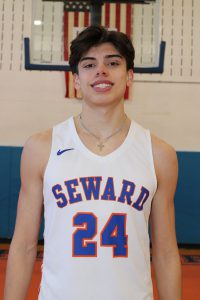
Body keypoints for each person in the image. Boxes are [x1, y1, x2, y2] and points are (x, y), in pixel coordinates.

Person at [4, 25, 182, 300]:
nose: (101, 71)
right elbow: (24, 246)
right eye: (89, 64)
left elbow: (166, 252)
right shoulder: (41, 147)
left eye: (113, 63)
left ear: (130, 76)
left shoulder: (159, 154)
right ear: (76, 80)